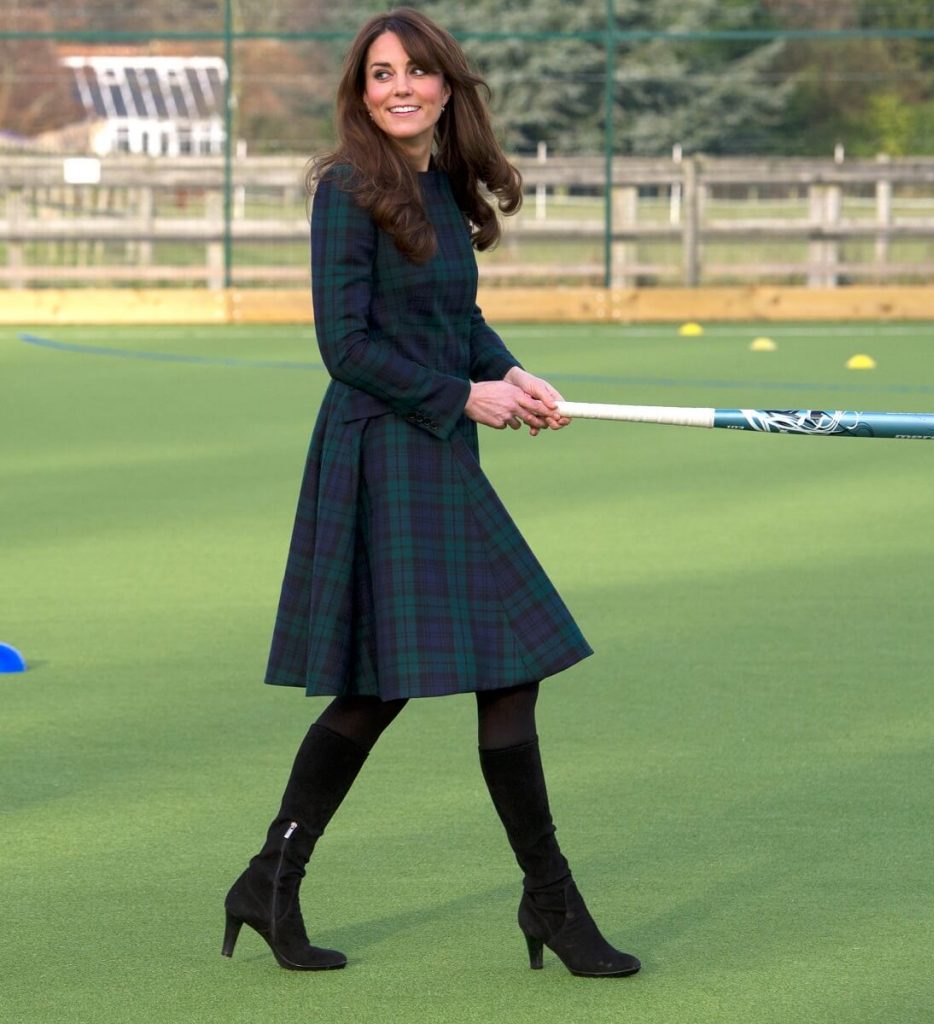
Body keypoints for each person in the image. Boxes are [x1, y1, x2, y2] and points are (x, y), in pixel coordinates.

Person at [222, 8, 639, 980]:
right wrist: (465, 395)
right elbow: (347, 347)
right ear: (360, 92)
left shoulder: (441, 188)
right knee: (435, 673)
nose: (399, 86)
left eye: (416, 71)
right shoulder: (344, 190)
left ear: (448, 86)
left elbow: (459, 316)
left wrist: (513, 372)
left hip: (438, 449)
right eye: (379, 74)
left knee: (435, 676)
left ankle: (274, 878)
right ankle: (546, 905)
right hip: (381, 451)